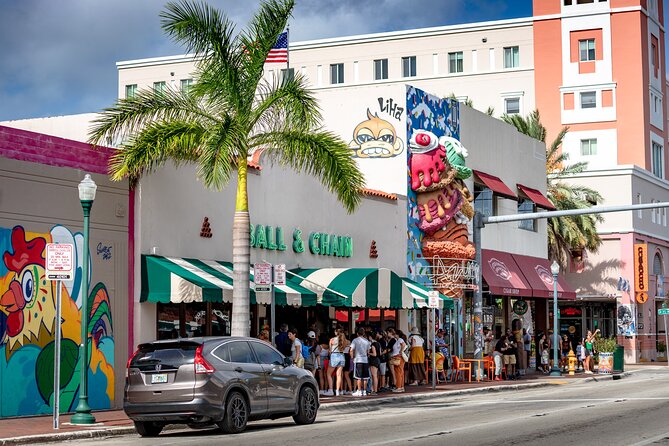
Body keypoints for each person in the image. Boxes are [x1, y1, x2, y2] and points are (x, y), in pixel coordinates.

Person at [349, 327, 371, 397]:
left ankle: (359, 391)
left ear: (357, 333)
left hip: (358, 359)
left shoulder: (355, 340)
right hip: (365, 360)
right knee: (365, 377)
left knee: (358, 377)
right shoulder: (367, 341)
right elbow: (368, 351)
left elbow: (351, 350)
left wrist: (352, 358)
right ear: (364, 333)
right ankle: (364, 391)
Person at [329, 328, 348, 396]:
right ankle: (337, 391)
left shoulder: (332, 340)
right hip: (342, 356)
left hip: (334, 356)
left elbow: (330, 350)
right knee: (339, 375)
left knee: (328, 374)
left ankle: (330, 390)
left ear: (336, 332)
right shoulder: (344, 340)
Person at [389, 328, 407, 393]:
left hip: (398, 356)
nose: (394, 335)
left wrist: (400, 351)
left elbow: (403, 345)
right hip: (399, 357)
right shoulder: (399, 340)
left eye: (395, 334)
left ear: (397, 334)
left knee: (398, 372)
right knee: (401, 372)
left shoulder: (399, 339)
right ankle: (401, 386)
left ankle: (398, 387)